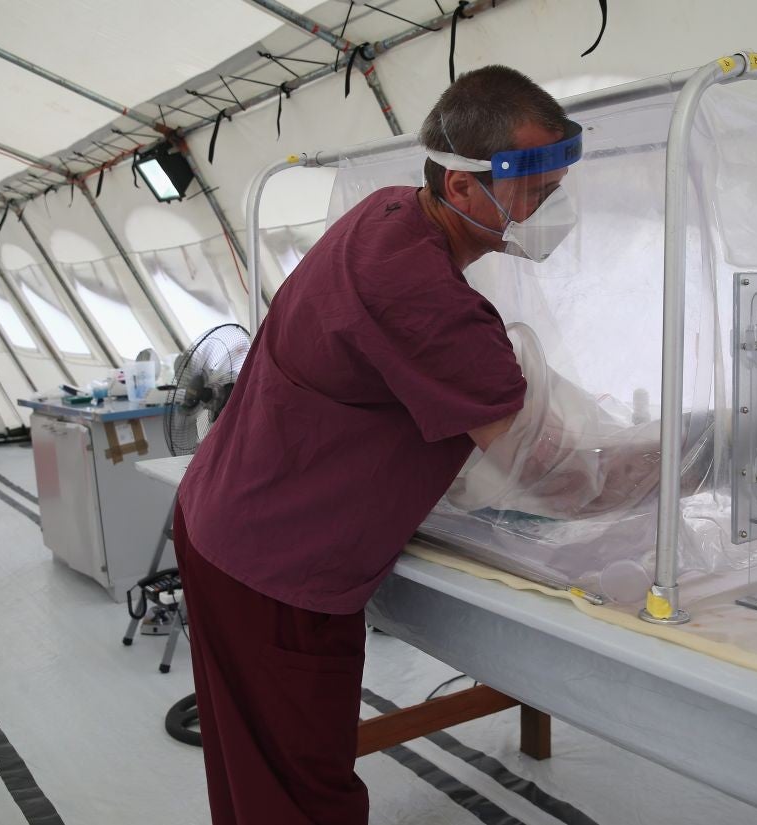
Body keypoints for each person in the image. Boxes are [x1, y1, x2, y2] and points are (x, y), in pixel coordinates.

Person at [174, 65, 575, 825]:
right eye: (531, 189)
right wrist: (723, 444)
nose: (545, 206)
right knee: (301, 794)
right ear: (462, 188)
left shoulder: (390, 212)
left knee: (254, 773)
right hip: (274, 569)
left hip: (221, 521)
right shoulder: (430, 302)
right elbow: (554, 475)